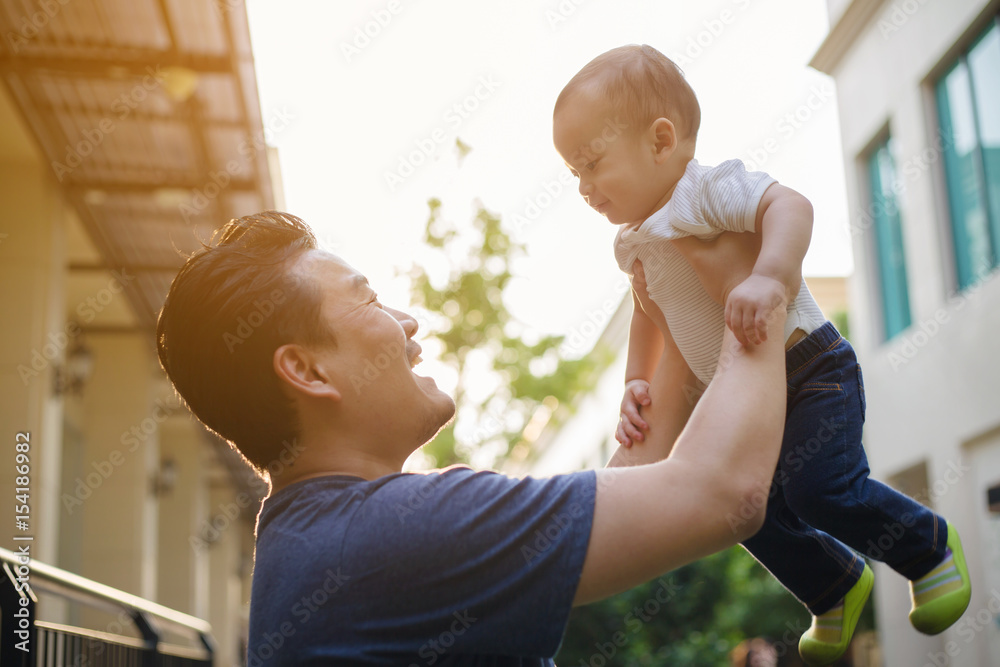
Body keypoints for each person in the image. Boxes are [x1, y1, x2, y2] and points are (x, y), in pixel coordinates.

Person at [156, 210, 790, 665]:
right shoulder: (392, 535)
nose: (407, 323)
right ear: (307, 370)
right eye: (370, 300)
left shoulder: (317, 537)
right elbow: (723, 493)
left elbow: (635, 497)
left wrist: (676, 307)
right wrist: (755, 284)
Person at [552, 44, 971, 666]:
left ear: (661, 141)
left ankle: (927, 547)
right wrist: (637, 381)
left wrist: (770, 276)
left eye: (592, 163)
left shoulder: (705, 191)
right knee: (741, 510)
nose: (584, 186)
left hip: (811, 373)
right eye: (573, 173)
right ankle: (834, 585)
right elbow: (649, 312)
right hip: (740, 399)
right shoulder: (630, 243)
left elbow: (790, 205)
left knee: (818, 489)